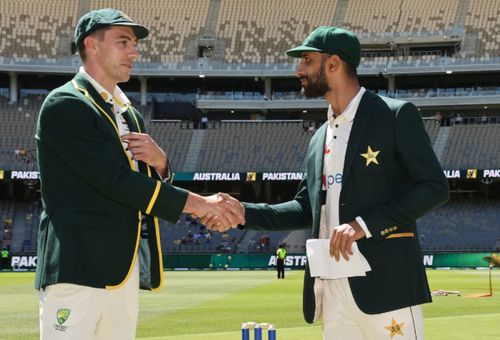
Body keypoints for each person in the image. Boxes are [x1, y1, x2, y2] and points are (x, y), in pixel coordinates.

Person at [207, 26, 449, 339]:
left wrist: (363, 224)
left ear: (333, 64)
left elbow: (434, 187)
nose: (298, 70)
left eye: (307, 60)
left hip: (388, 287)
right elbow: (305, 208)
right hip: (332, 290)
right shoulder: (320, 136)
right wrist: (244, 212)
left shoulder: (393, 115)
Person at [35, 8, 244, 340]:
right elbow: (115, 182)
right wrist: (201, 204)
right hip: (77, 269)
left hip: (123, 270)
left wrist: (162, 166)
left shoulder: (129, 114)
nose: (135, 52)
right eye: (123, 42)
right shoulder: (65, 104)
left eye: (134, 44)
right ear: (91, 44)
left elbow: (143, 187)